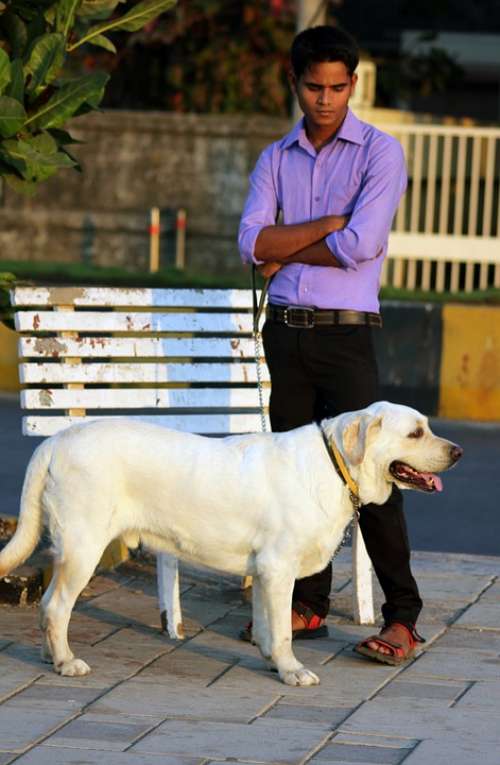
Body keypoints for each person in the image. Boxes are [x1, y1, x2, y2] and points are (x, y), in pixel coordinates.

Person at [238, 25, 424, 664]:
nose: (325, 99)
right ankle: (307, 604)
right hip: (285, 336)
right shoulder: (274, 158)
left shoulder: (380, 153)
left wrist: (289, 240)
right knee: (295, 476)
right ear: (295, 83)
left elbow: (362, 245)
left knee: (373, 476)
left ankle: (403, 616)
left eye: (338, 87)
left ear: (353, 84)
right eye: (313, 87)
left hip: (347, 336)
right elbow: (253, 245)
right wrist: (326, 223)